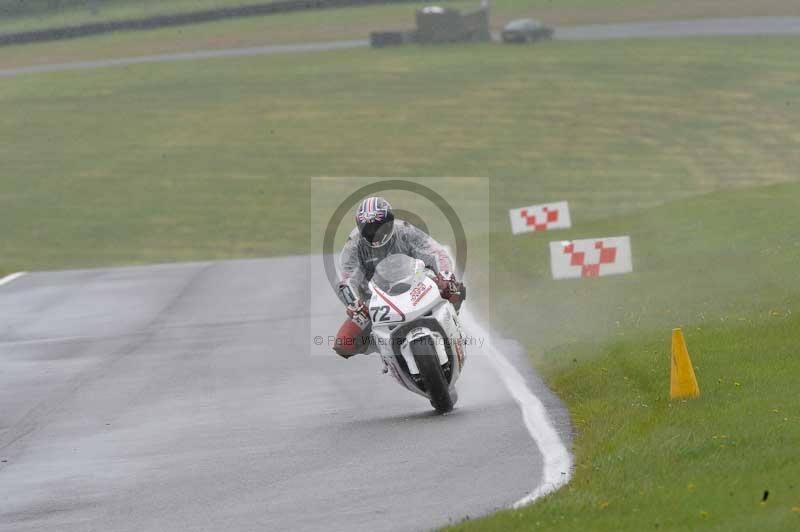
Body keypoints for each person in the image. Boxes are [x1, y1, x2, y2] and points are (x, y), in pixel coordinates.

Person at [333, 196, 465, 359]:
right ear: (360, 229)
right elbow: (346, 279)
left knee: (455, 289)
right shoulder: (354, 245)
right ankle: (385, 351)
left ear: (390, 221)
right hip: (375, 301)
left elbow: (435, 252)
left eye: (380, 226)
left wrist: (445, 275)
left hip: (416, 285)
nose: (376, 232)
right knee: (343, 344)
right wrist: (354, 304)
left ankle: (453, 328)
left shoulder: (405, 230)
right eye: (369, 228)